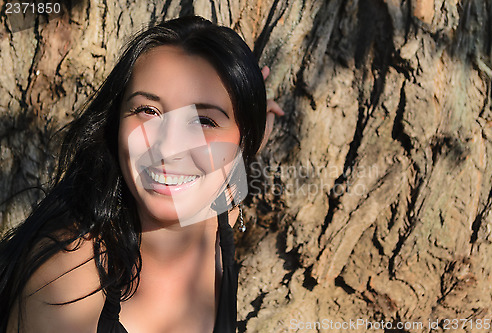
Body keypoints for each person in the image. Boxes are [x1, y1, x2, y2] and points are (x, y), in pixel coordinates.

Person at [0, 15, 284, 333]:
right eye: (149, 111)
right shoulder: (68, 278)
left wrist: (248, 133)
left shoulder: (218, 216)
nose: (169, 147)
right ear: (116, 122)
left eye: (203, 121)